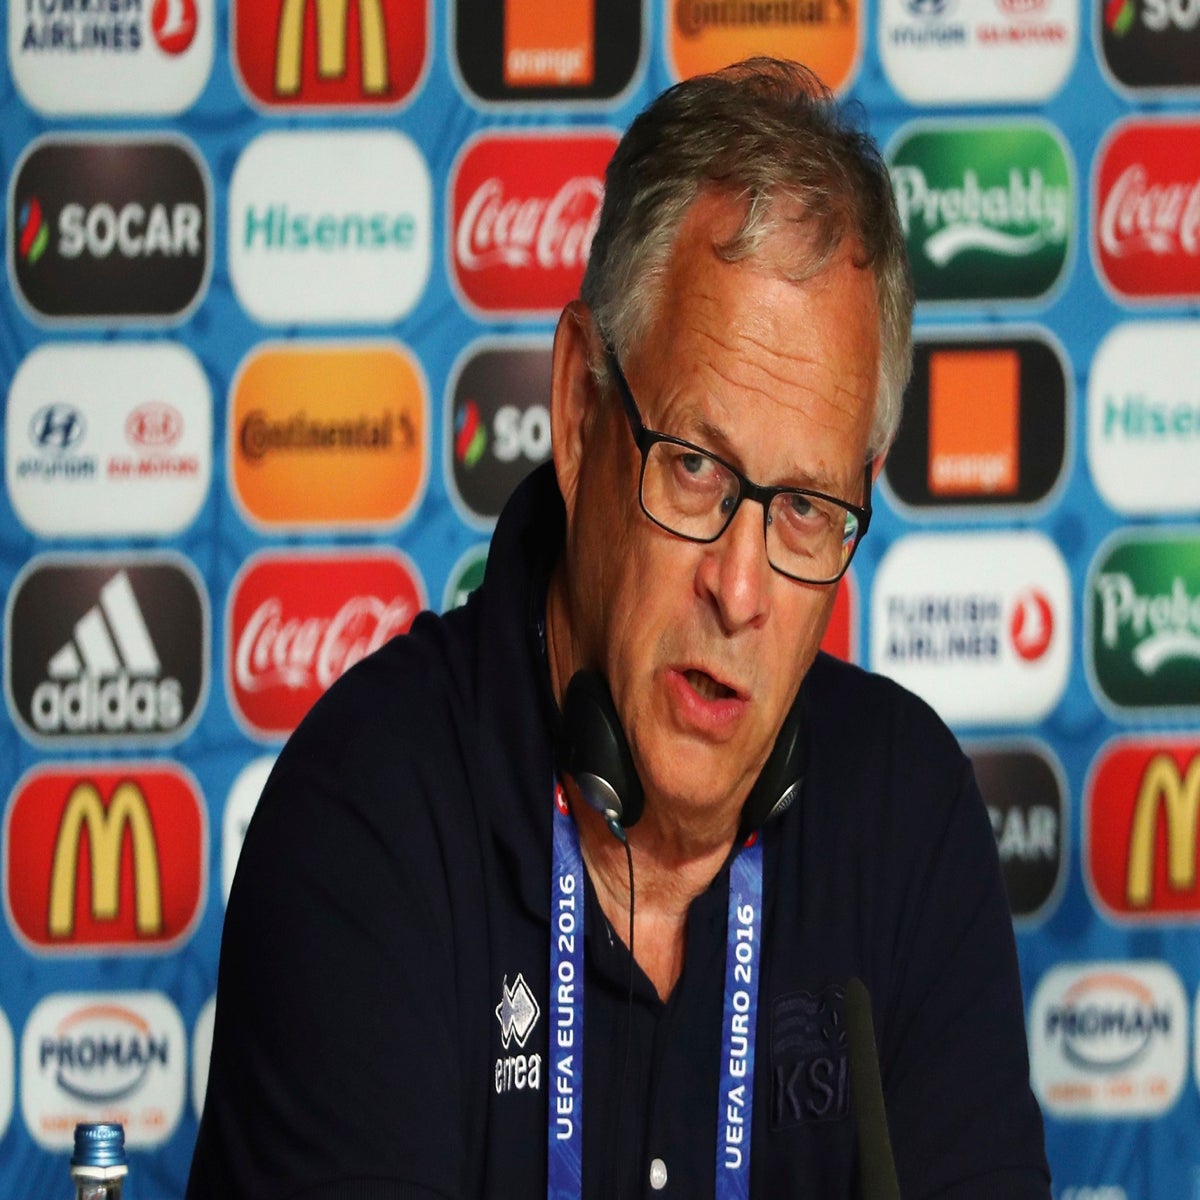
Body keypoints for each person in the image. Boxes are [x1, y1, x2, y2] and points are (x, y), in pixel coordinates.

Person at [188, 58, 1050, 1198]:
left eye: (804, 507)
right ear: (583, 408)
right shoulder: (368, 823)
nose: (740, 591)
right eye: (695, 468)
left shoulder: (911, 822)